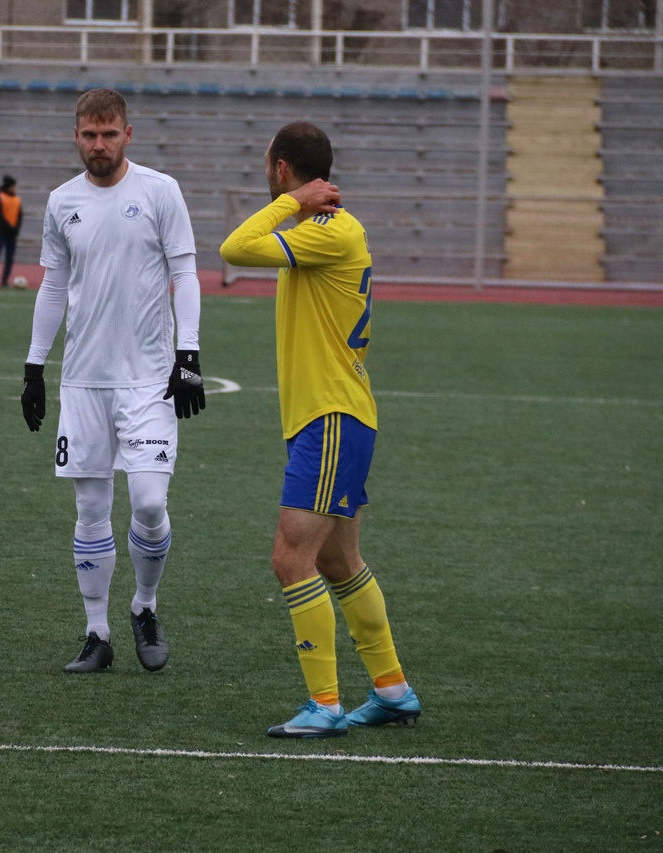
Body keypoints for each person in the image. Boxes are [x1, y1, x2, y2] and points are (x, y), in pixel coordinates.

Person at [219, 121, 421, 738]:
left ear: (281, 168)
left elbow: (234, 248)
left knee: (291, 558)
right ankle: (392, 690)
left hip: (331, 418)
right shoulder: (318, 232)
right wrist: (297, 207)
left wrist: (289, 204)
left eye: (269, 166)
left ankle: (325, 704)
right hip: (331, 417)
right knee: (338, 559)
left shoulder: (330, 230)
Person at [20, 88, 205, 674]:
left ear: (128, 134)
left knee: (148, 502)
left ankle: (144, 606)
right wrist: (34, 367)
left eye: (108, 134)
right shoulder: (61, 202)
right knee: (90, 507)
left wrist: (189, 354)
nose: (98, 145)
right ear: (76, 136)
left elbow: (185, 274)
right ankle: (96, 633)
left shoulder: (160, 191)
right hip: (83, 382)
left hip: (149, 381)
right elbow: (54, 286)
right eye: (89, 135)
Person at [0, 174, 22, 287]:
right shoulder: (0, 197)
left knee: (9, 257)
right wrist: (9, 226)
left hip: (12, 233)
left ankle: (4, 280)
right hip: (1, 231)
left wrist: (16, 228)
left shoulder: (17, 199)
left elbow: (20, 215)